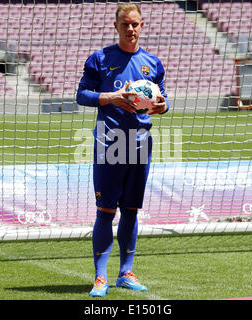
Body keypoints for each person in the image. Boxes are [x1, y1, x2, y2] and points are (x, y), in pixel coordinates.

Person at [76, 3, 169, 297]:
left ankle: (126, 273)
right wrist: (112, 97)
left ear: (143, 26)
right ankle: (100, 278)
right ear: (116, 26)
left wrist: (163, 106)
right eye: (126, 24)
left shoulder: (152, 64)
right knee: (106, 211)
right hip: (110, 143)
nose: (131, 29)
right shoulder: (101, 58)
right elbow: (82, 95)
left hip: (141, 143)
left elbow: (162, 101)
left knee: (131, 210)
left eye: (136, 24)